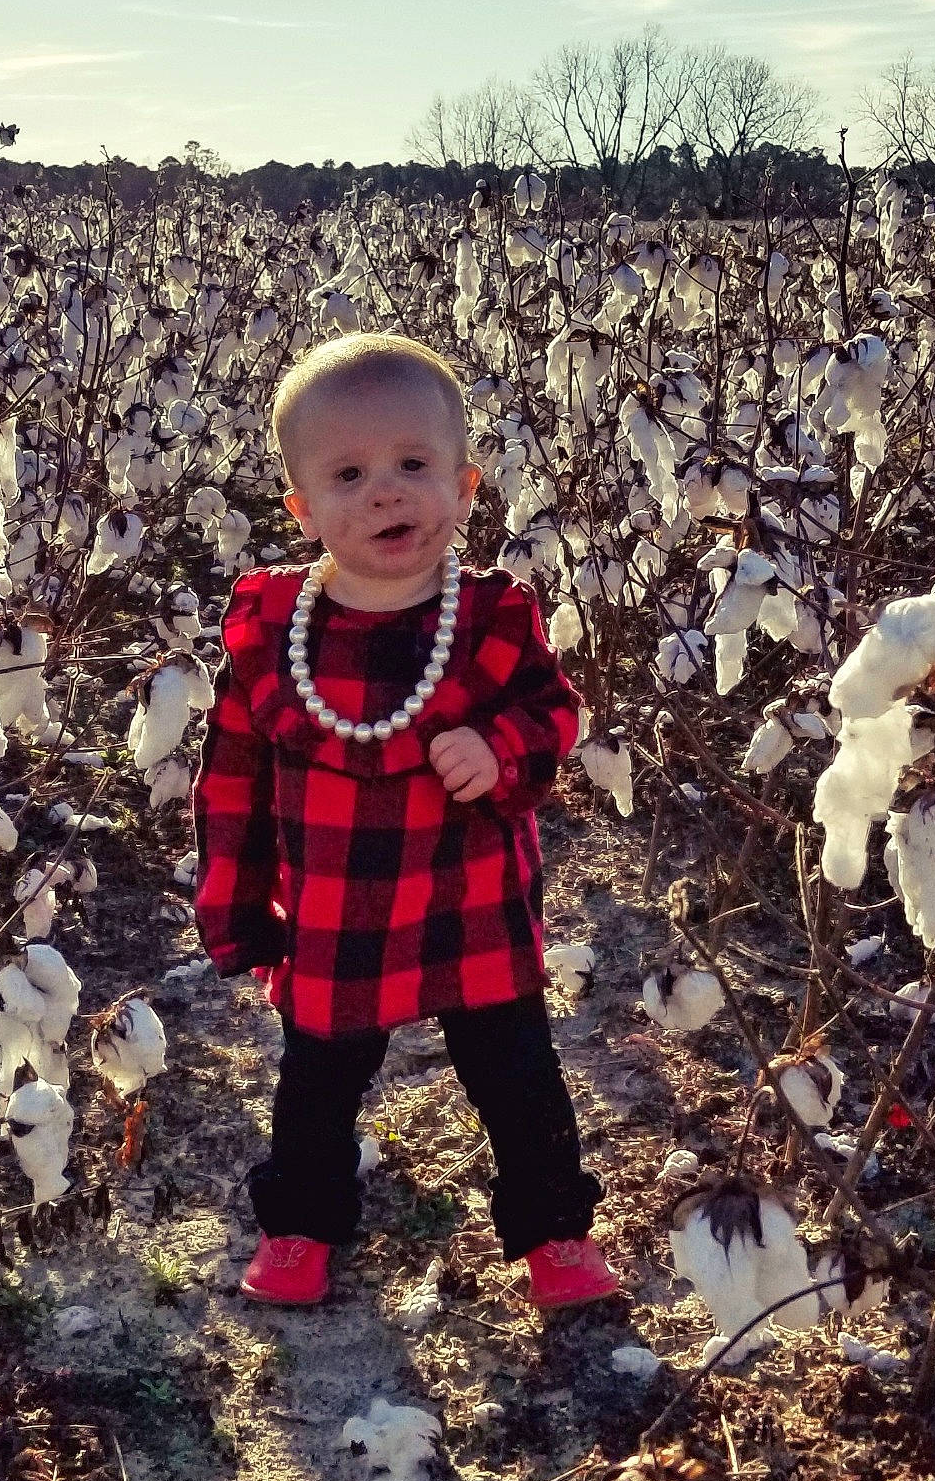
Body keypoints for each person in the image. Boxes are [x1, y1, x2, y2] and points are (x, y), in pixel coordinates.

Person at [192, 331, 620, 1310]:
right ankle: (301, 1221)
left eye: (412, 465)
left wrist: (503, 748)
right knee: (317, 1079)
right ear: (302, 510)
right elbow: (230, 778)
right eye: (348, 473)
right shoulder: (274, 634)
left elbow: (556, 711)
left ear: (464, 485)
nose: (385, 491)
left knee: (517, 1076)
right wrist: (239, 907)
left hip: (471, 903)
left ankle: (553, 1229)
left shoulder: (492, 618)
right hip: (336, 913)